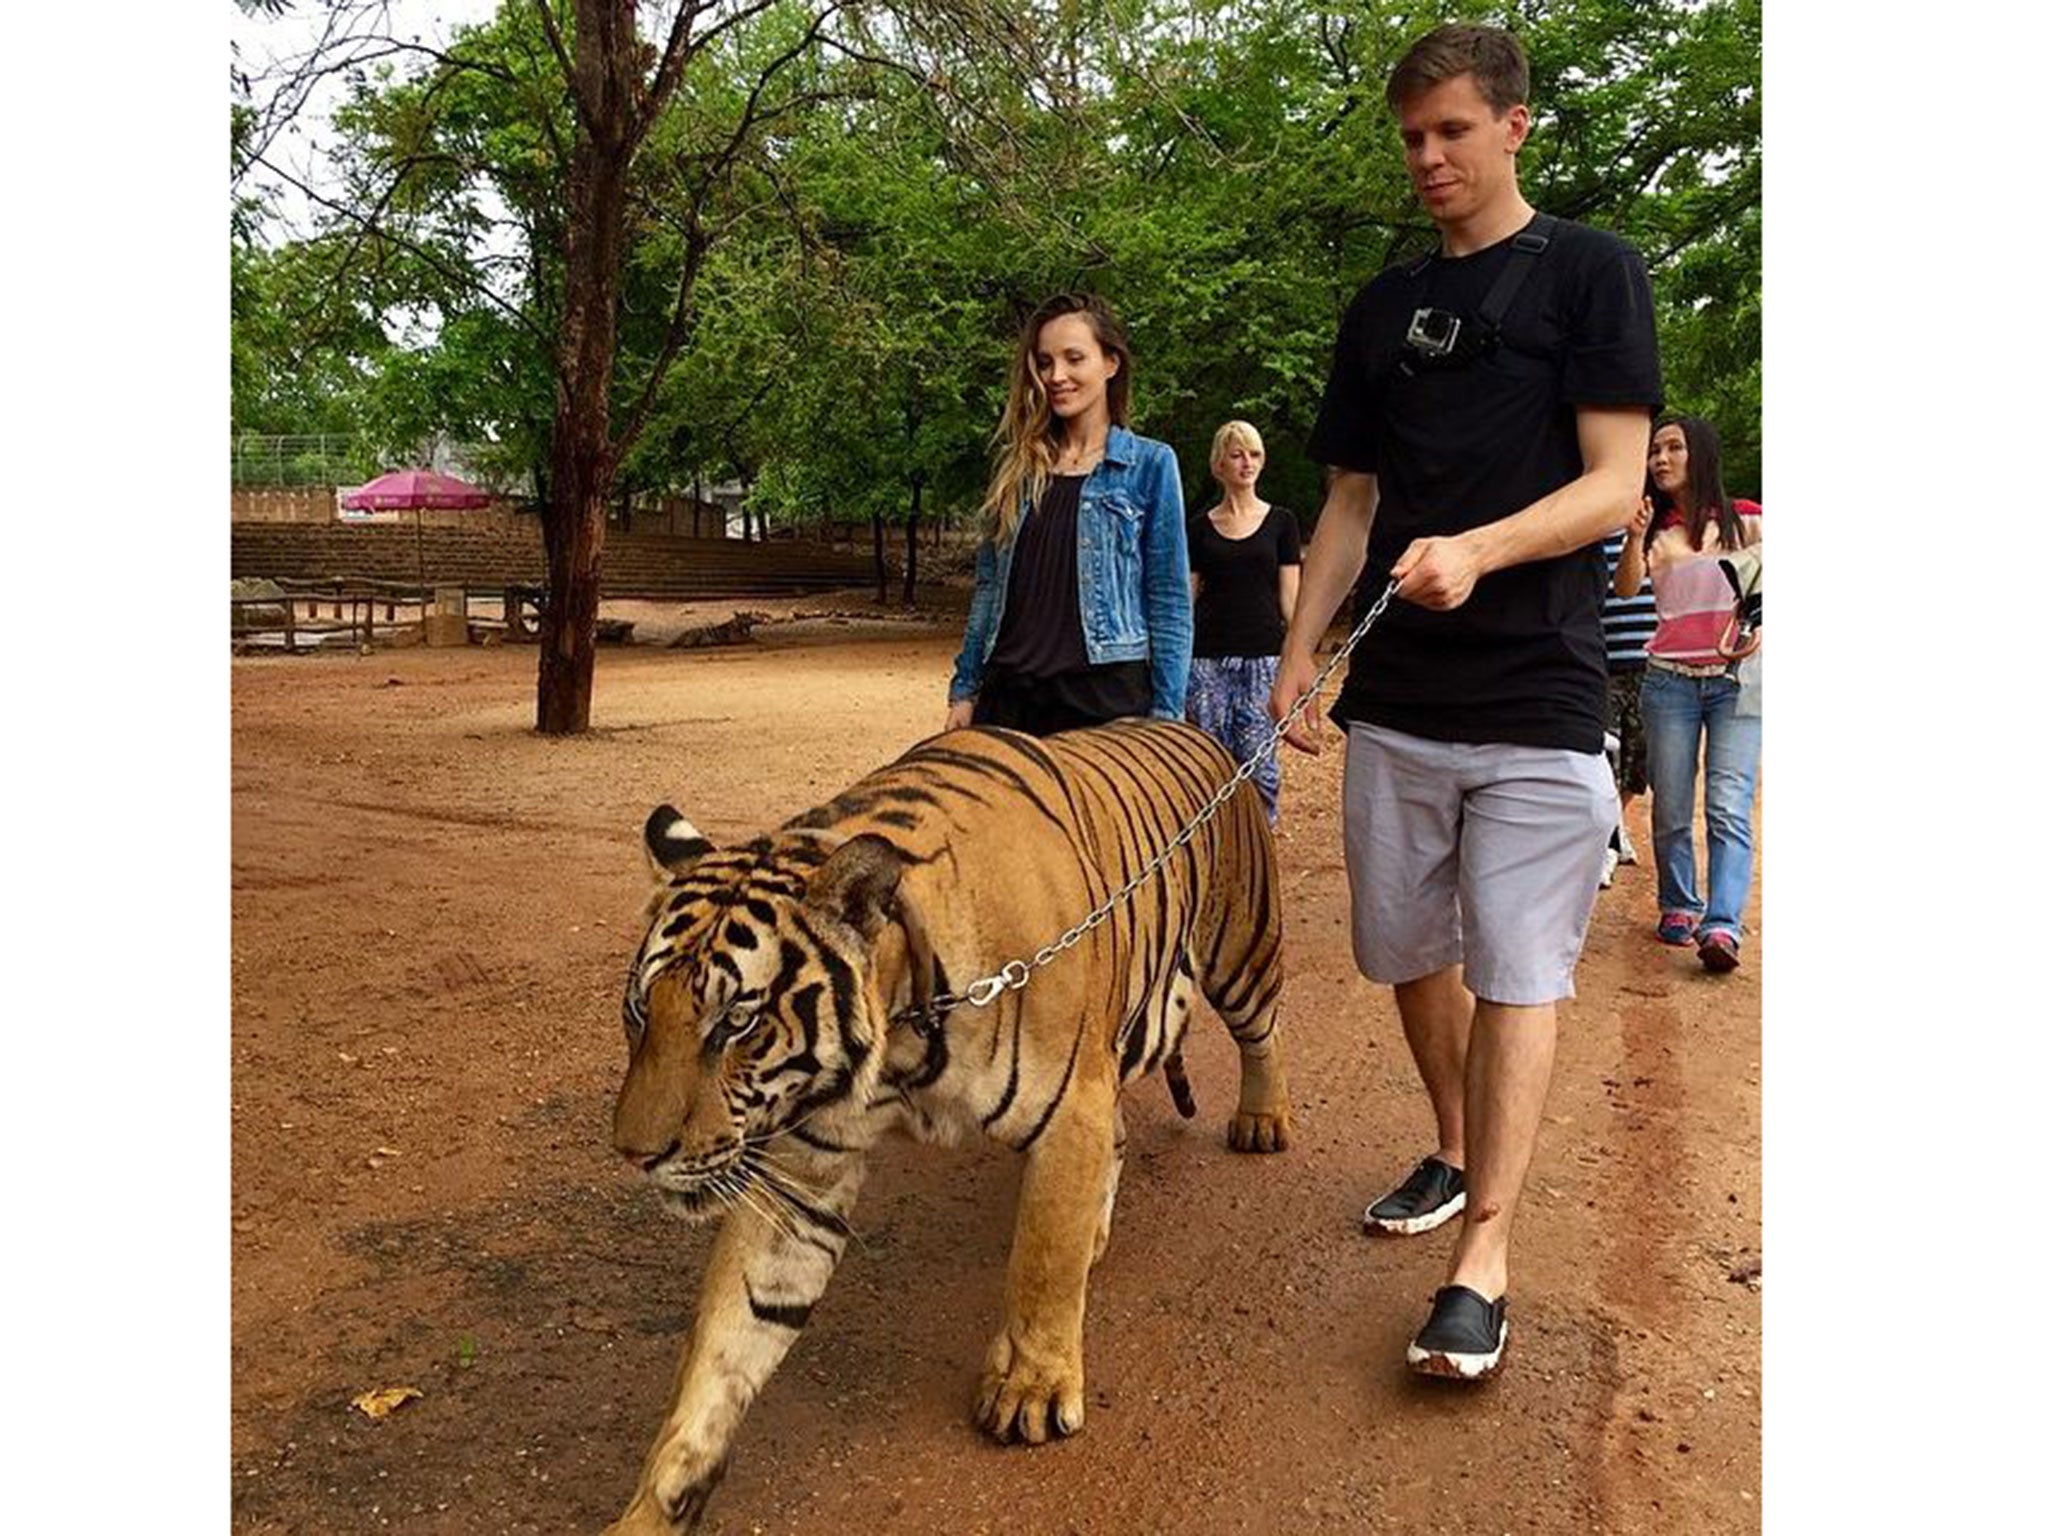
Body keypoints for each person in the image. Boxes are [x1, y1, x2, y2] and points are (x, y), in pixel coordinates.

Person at [1270, 22, 1661, 1381]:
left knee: (1519, 964)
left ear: (1515, 128)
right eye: (1411, 138)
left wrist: (1484, 550)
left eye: (1452, 131)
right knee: (1402, 950)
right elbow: (1349, 504)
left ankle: (1482, 1256)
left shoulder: (1592, 275)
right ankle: (1453, 1144)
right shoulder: (1381, 311)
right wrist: (1298, 653)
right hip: (1400, 706)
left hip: (1542, 696)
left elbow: (1618, 483)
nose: (1429, 159)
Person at [947, 293, 1192, 736]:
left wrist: (1168, 714)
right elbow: (987, 589)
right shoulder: (1015, 469)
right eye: (1044, 362)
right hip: (1009, 698)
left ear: (1111, 363)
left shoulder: (1151, 466)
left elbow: (1169, 599)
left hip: (1105, 697)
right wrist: (965, 690)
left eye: (1073, 358)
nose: (1056, 376)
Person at [1613, 415, 1761, 972]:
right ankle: (1678, 904)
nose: (1661, 459)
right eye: (1654, 450)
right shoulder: (1656, 530)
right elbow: (1626, 588)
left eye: (1673, 447)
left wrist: (1759, 626)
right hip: (1669, 680)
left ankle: (1721, 924)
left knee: (1728, 805)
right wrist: (1632, 537)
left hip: (1735, 683)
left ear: (1700, 452)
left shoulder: (1747, 521)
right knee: (1672, 806)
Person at [1185, 421, 1303, 825]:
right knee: (1209, 765)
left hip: (1262, 659)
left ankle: (1259, 853)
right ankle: (1212, 853)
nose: (1246, 462)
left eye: (1253, 454)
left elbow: (1291, 597)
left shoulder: (1282, 522)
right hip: (1206, 661)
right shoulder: (1199, 527)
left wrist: (1300, 651)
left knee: (1260, 768)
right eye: (1237, 454)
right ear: (1219, 464)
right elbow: (1186, 598)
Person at [1597, 504, 1658, 886]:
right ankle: (1605, 842)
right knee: (1602, 758)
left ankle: (1616, 823)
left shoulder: (1656, 538)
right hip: (1601, 667)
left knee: (1640, 765)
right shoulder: (1588, 537)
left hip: (1651, 667)